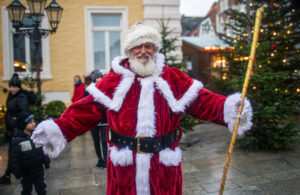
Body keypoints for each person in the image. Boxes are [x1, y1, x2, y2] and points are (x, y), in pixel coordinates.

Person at [31, 22, 253, 195]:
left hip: (163, 166)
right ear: (129, 50)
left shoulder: (173, 78)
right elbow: (83, 112)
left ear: (155, 50)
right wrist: (58, 129)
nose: (143, 51)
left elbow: (203, 102)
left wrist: (228, 108)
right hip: (124, 168)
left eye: (148, 46)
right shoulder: (112, 81)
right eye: (138, 46)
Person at [10, 111, 50, 195]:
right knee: (26, 190)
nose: (33, 124)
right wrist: (17, 173)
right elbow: (14, 158)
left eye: (33, 121)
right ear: (23, 124)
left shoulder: (36, 136)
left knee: (41, 188)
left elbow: (43, 150)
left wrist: (46, 163)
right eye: (30, 122)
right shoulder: (17, 140)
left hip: (38, 169)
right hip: (25, 172)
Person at [0, 73, 29, 185]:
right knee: (14, 154)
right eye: (11, 86)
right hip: (13, 131)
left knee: (15, 154)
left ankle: (10, 175)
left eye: (14, 87)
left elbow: (24, 113)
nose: (12, 89)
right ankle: (8, 175)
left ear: (19, 87)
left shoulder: (21, 98)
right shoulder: (13, 97)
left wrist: (18, 124)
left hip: (17, 131)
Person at [89, 70, 108, 168]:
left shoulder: (106, 88)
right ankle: (99, 160)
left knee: (104, 141)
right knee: (96, 141)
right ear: (94, 79)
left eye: (100, 77)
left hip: (104, 120)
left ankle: (106, 160)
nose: (98, 79)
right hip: (93, 120)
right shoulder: (89, 90)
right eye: (97, 78)